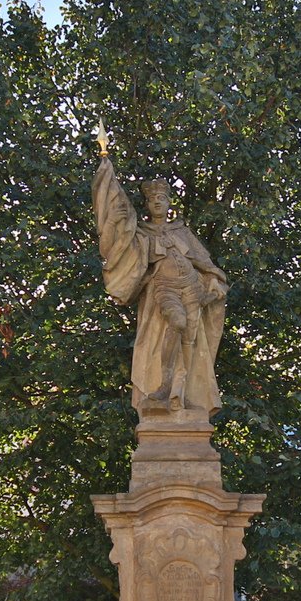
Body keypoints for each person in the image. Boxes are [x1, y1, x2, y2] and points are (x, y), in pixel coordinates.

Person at [93, 155, 227, 416]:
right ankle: (165, 383)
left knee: (190, 340)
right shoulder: (141, 233)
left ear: (168, 203)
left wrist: (214, 280)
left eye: (162, 198)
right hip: (164, 289)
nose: (157, 202)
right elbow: (111, 249)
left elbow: (205, 263)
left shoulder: (182, 231)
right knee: (177, 322)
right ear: (147, 204)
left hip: (192, 289)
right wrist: (110, 222)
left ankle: (181, 391)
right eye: (152, 199)